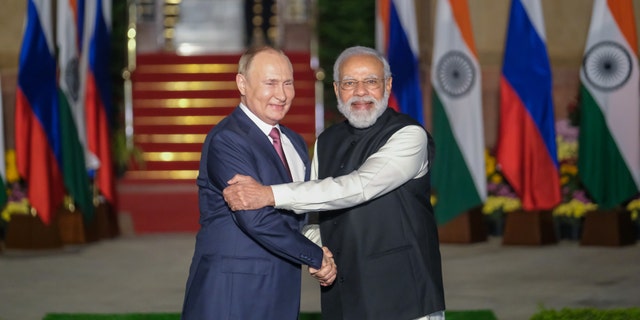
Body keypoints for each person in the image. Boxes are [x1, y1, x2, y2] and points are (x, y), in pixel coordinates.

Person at [223, 45, 445, 320]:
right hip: (343, 297)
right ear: (337, 89)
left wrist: (269, 194)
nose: (361, 91)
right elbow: (311, 216)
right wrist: (318, 252)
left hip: (405, 298)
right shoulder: (326, 142)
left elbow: (359, 187)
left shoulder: (410, 136)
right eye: (350, 83)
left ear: (387, 85)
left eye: (371, 82)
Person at [181, 46, 337, 320]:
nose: (282, 94)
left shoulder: (295, 142)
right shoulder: (228, 139)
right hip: (232, 293)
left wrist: (319, 243)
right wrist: (315, 256)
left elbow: (300, 211)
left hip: (280, 289)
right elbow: (255, 218)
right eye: (271, 83)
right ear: (242, 83)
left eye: (288, 83)